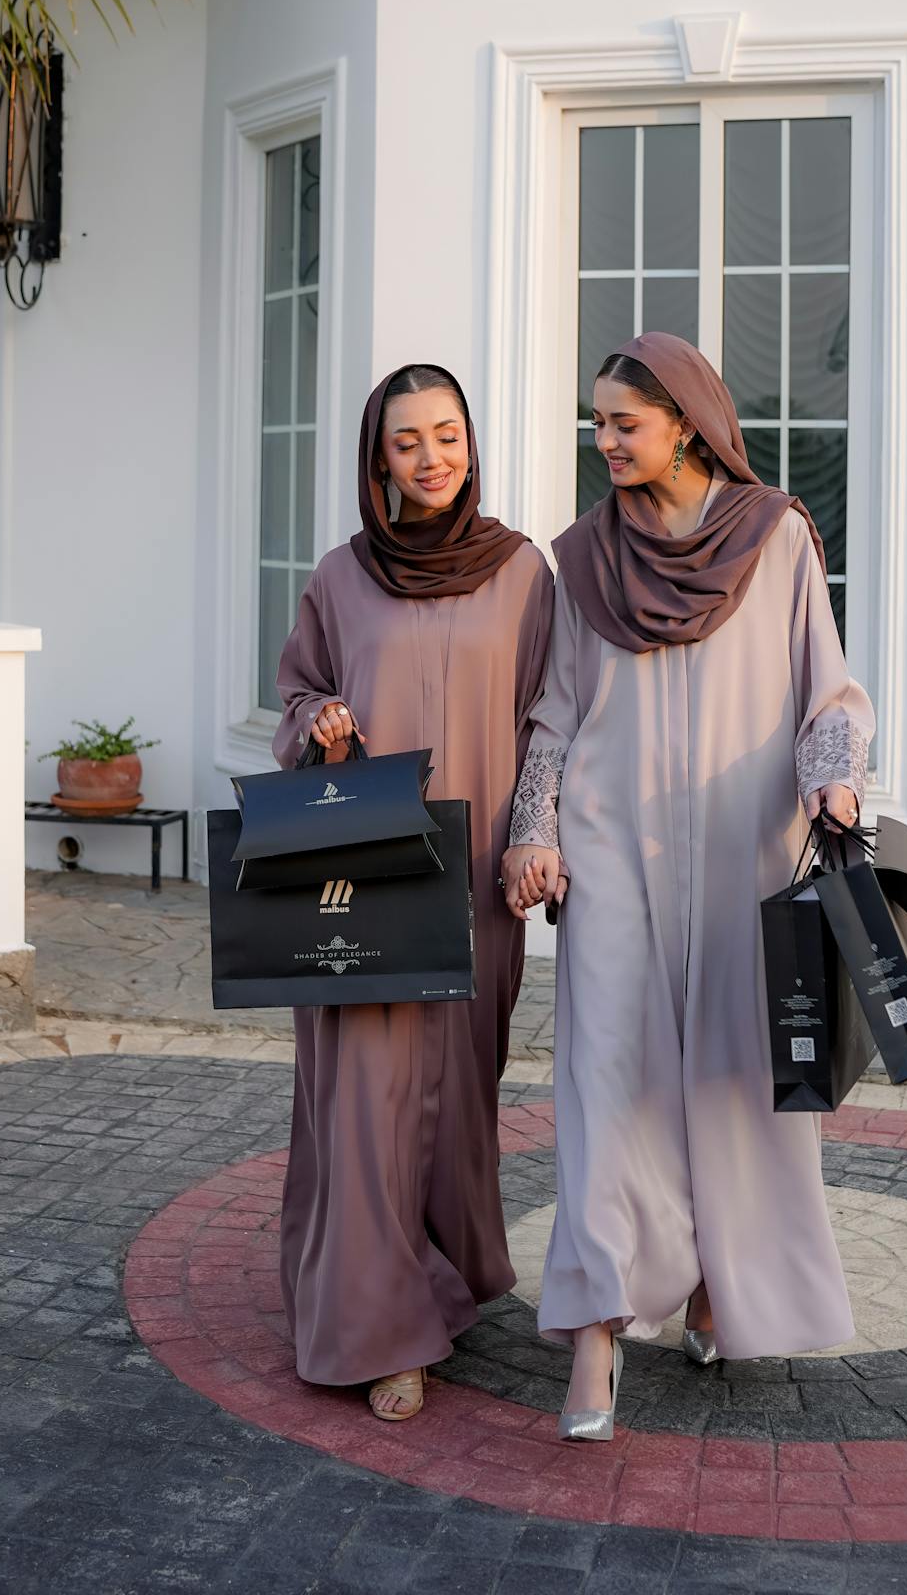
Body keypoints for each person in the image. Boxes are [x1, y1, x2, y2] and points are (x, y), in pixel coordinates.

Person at [503, 333, 874, 1442]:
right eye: (598, 422)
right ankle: (597, 1331)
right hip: (611, 849)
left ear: (687, 424)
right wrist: (535, 829)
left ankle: (722, 1282)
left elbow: (828, 692)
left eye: (625, 422)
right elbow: (555, 714)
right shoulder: (584, 559)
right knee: (603, 1080)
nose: (605, 441)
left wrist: (834, 782)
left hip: (743, 851)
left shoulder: (776, 537)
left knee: (730, 1080)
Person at [274, 363, 553, 1421]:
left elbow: (552, 721)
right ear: (377, 459)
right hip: (360, 879)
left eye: (446, 435)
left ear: (470, 445)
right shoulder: (341, 578)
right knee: (361, 1099)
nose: (430, 458)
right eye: (406, 441)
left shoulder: (524, 573)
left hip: (475, 882)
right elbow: (296, 692)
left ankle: (443, 1279)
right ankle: (381, 1327)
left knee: (454, 1091)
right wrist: (318, 721)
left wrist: (535, 836)